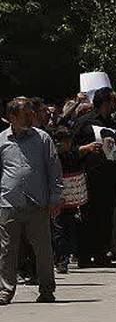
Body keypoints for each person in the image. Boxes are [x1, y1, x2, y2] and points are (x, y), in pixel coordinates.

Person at [0, 97, 62, 304]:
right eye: (25, 114)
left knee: (43, 250)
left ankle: (47, 290)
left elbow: (53, 168)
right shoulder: (2, 140)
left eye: (32, 113)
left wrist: (55, 197)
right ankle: (5, 291)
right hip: (9, 202)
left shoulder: (42, 138)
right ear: (12, 117)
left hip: (37, 203)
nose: (31, 118)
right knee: (7, 250)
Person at [72, 88, 116, 267]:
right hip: (90, 175)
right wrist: (88, 148)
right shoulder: (84, 122)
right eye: (112, 101)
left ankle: (101, 254)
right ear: (105, 103)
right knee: (88, 215)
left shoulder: (113, 123)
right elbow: (72, 148)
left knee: (106, 216)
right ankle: (84, 256)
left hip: (110, 175)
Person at [52, 126, 95, 274]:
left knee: (68, 228)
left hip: (72, 198)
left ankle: (66, 258)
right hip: (58, 198)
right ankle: (60, 260)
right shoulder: (53, 155)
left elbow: (77, 154)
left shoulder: (71, 154)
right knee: (59, 229)